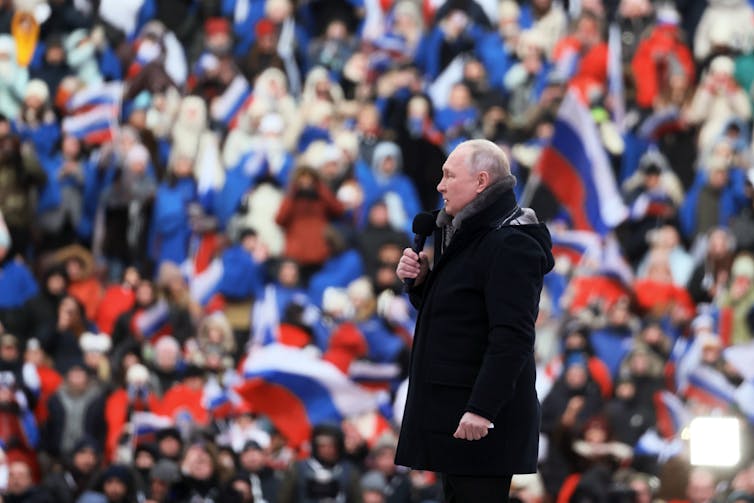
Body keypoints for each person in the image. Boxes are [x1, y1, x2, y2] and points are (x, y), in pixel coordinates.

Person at [395, 139, 554, 502]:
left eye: (449, 175)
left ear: (481, 181)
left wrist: (482, 408)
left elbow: (512, 337)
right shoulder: (470, 232)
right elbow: (463, 320)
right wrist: (423, 284)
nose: (440, 185)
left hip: (481, 423)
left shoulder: (511, 242)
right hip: (458, 418)